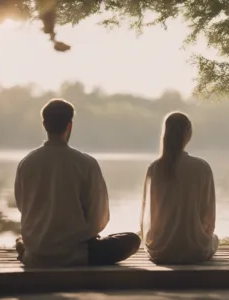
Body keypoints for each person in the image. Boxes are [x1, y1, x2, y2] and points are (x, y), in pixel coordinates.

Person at [14, 99, 140, 268]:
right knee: (132, 239)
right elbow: (99, 219)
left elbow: (23, 207)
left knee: (21, 241)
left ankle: (29, 250)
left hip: (36, 254)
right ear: (70, 125)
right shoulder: (86, 163)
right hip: (78, 255)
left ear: (44, 124)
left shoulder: (26, 163)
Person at [140, 112, 218, 264]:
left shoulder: (155, 168)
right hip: (195, 251)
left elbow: (150, 213)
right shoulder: (201, 167)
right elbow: (209, 216)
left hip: (161, 251)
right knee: (215, 239)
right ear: (188, 135)